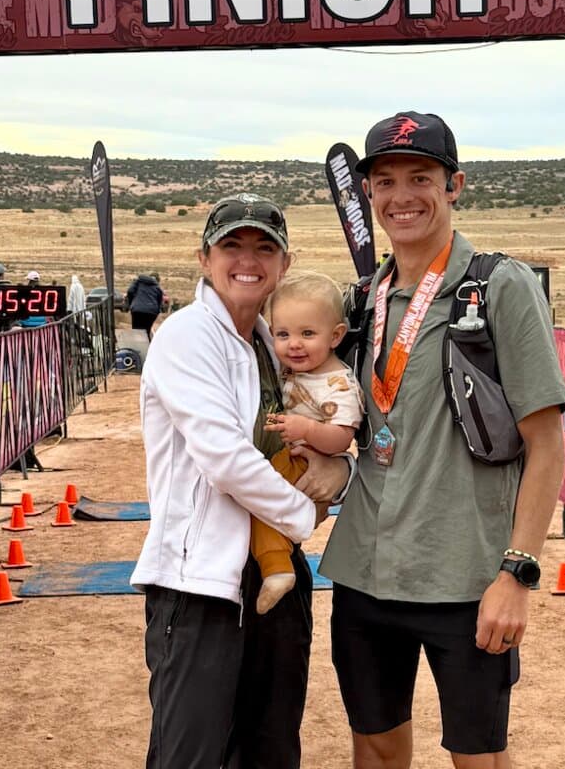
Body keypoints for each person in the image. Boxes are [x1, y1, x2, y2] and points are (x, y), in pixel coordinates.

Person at [319, 112, 565, 769]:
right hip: (365, 572)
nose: (403, 196)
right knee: (373, 749)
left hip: (466, 578)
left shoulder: (498, 286)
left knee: (478, 757)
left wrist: (518, 572)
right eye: (386, 180)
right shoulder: (363, 299)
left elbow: (547, 444)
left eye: (421, 177)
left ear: (455, 184)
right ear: (368, 194)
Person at [130, 192, 354, 769]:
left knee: (271, 748)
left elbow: (323, 425)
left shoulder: (273, 341)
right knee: (193, 755)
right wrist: (306, 516)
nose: (247, 260)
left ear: (284, 262)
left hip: (275, 571)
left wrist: (340, 467)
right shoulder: (186, 337)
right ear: (204, 258)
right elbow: (225, 459)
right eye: (232, 245)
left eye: (264, 247)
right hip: (198, 581)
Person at [253, 271, 364, 615]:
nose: (294, 344)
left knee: (257, 502)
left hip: (303, 461)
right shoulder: (294, 370)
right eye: (283, 334)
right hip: (292, 458)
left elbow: (342, 437)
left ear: (336, 336)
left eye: (307, 334)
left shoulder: (338, 384)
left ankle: (277, 570)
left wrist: (306, 429)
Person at [126, 271, 163, 340]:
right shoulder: (157, 287)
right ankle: (147, 348)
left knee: (136, 330)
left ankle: (137, 346)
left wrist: (132, 303)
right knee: (147, 330)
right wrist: (157, 310)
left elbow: (130, 291)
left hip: (137, 310)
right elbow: (160, 300)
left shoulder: (139, 282)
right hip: (151, 312)